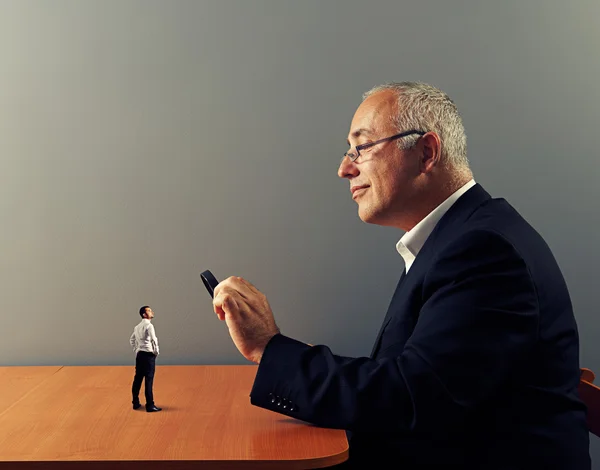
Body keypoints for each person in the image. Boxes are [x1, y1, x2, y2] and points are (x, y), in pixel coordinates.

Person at [211, 82, 590, 469]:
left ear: (426, 152)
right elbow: (416, 379)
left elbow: (411, 397)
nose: (345, 168)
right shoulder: (461, 236)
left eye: (362, 147)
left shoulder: (484, 251)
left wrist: (267, 348)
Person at [130, 305, 162, 412]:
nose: (152, 312)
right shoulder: (149, 326)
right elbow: (154, 340)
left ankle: (135, 402)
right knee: (149, 380)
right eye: (149, 311)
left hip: (140, 355)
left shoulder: (137, 327)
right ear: (144, 314)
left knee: (138, 379)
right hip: (148, 355)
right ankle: (150, 404)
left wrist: (137, 349)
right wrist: (156, 352)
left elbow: (132, 340)